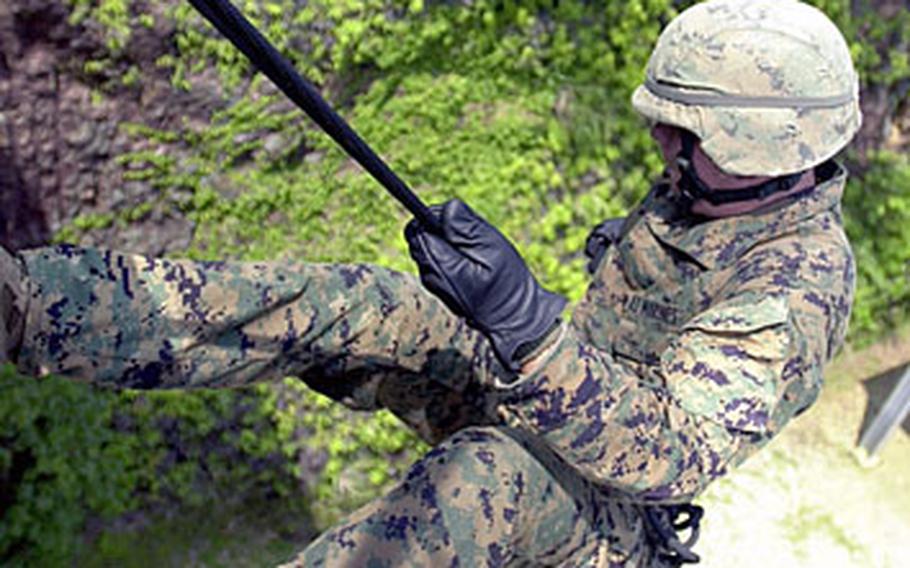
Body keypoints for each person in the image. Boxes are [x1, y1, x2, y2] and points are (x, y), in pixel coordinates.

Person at [0, 0, 861, 565]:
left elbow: (669, 449)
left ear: (770, 152)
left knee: (482, 477)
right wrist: (512, 316)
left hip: (610, 516)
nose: (664, 148)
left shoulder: (794, 288)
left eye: (689, 134)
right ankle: (26, 306)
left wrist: (524, 322)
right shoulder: (716, 187)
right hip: (554, 399)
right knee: (367, 309)